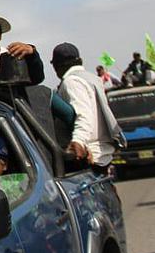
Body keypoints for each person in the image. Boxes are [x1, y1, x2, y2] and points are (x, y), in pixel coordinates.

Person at [50, 43, 126, 171]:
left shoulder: (72, 81)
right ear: (80, 61)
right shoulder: (92, 79)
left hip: (87, 156)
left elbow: (83, 115)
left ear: (57, 66)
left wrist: (78, 141)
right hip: (102, 155)